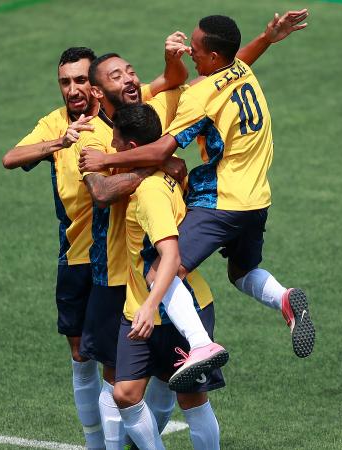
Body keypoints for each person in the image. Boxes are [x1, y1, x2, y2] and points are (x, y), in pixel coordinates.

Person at [78, 14, 316, 393]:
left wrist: (105, 160)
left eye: (197, 50)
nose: (192, 54)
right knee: (240, 272)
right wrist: (268, 38)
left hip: (221, 201)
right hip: (258, 199)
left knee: (161, 272)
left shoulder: (198, 97)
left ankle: (201, 345)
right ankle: (284, 299)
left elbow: (160, 149)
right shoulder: (239, 69)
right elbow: (240, 57)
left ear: (215, 55)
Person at [2, 41, 189, 449]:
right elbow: (11, 158)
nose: (72, 89)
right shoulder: (62, 126)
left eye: (81, 80)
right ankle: (96, 442)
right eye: (64, 82)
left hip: (119, 258)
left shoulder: (127, 118)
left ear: (96, 87)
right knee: (83, 354)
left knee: (128, 365)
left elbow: (176, 81)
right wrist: (58, 143)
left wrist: (174, 58)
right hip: (77, 253)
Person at [111, 103, 223, 450]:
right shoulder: (164, 176)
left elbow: (171, 255)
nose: (111, 147)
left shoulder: (151, 193)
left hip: (175, 309)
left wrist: (150, 306)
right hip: (139, 306)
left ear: (132, 148)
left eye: (115, 140)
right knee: (126, 393)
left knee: (192, 400)